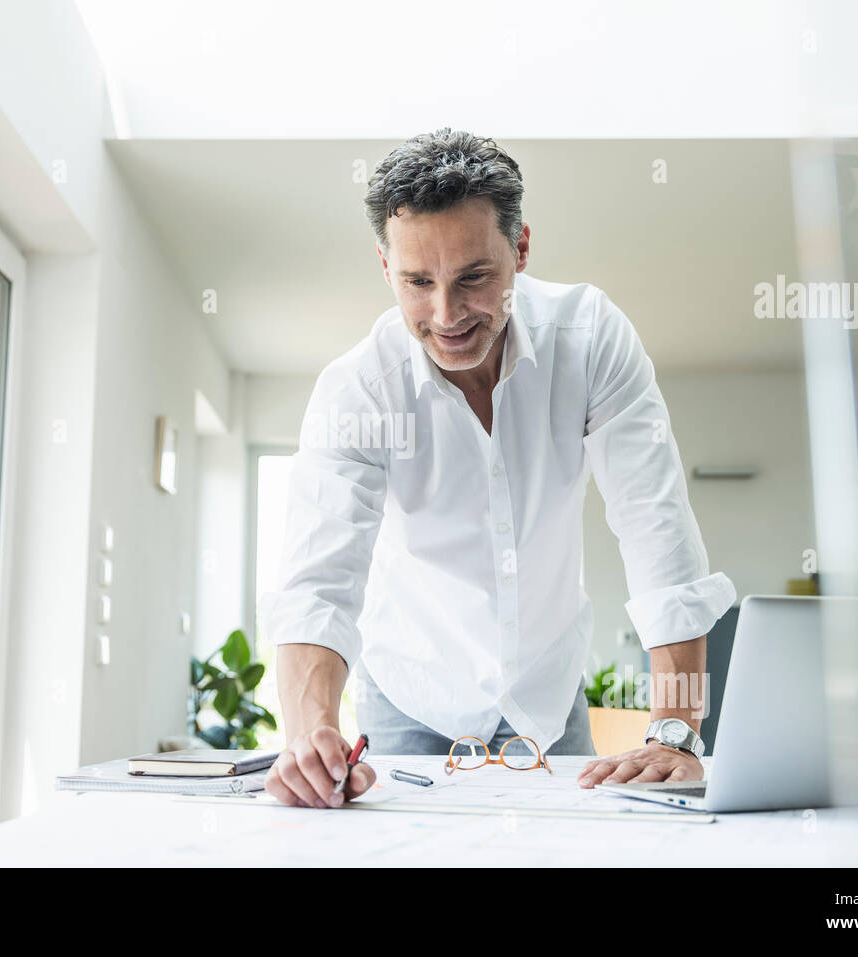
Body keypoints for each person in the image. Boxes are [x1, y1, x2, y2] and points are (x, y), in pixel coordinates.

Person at [259, 128, 736, 809]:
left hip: (550, 700)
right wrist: (309, 736)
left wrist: (675, 730)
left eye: (475, 277)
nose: (446, 314)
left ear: (520, 249)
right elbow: (319, 584)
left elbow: (657, 533)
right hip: (410, 698)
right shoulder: (360, 389)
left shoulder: (590, 339)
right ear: (384, 264)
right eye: (417, 281)